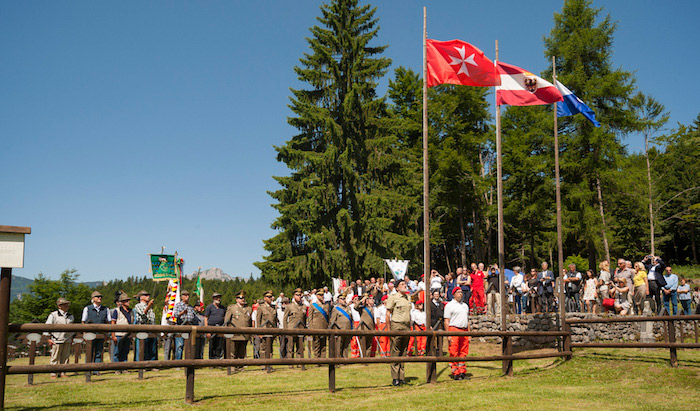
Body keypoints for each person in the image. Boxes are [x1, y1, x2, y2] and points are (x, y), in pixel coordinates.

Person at [386, 280, 411, 386]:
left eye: (405, 284)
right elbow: (388, 313)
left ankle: (402, 377)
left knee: (404, 351)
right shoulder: (393, 297)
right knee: (395, 351)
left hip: (406, 326)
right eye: (402, 284)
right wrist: (389, 330)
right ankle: (395, 378)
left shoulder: (408, 297)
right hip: (396, 324)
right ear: (396, 288)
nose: (405, 286)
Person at [82, 290, 112, 372]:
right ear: (93, 299)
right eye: (97, 297)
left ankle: (96, 370)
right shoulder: (87, 308)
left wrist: (107, 334)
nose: (100, 298)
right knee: (89, 352)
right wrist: (84, 333)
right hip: (90, 334)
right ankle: (88, 369)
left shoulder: (106, 309)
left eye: (100, 297)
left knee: (99, 352)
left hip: (101, 334)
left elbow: (108, 322)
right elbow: (83, 322)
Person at [444, 287, 470, 380]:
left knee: (463, 350)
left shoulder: (465, 305)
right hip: (454, 328)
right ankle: (455, 371)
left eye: (461, 292)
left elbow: (468, 320)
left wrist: (469, 333)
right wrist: (448, 334)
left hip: (464, 330)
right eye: (458, 292)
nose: (460, 294)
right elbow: (446, 321)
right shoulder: (449, 305)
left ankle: (462, 371)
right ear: (454, 294)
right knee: (454, 351)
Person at [45, 297, 74, 378]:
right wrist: (48, 338)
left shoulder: (70, 316)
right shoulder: (53, 315)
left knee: (65, 357)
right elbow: (47, 327)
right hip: (56, 339)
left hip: (67, 339)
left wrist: (71, 337)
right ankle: (53, 373)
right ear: (59, 306)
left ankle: (63, 372)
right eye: (64, 304)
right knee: (55, 357)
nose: (66, 306)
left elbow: (72, 328)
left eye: (67, 304)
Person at [224, 290, 252, 370]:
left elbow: (249, 321)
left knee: (242, 351)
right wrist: (226, 331)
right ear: (236, 299)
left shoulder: (248, 309)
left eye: (243, 298)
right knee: (232, 351)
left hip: (245, 334)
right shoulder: (232, 308)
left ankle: (240, 365)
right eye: (240, 298)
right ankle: (232, 365)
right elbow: (226, 320)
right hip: (234, 334)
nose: (242, 299)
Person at [132, 290, 157, 361]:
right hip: (143, 328)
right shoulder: (138, 306)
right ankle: (142, 364)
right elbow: (143, 314)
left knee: (152, 348)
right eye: (146, 295)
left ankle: (151, 364)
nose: (148, 297)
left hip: (151, 329)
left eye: (148, 295)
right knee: (143, 348)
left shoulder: (150, 307)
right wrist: (149, 306)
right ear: (141, 297)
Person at [283, 288, 306, 362]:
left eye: (300, 295)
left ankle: (300, 362)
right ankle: (291, 362)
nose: (299, 296)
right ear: (293, 296)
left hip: (301, 329)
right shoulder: (289, 306)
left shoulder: (304, 306)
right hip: (291, 329)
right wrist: (286, 330)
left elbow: (304, 319)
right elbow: (285, 319)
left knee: (300, 347)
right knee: (290, 347)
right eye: (297, 295)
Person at [256, 290, 278, 370]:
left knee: (270, 348)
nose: (270, 298)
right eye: (268, 297)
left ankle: (270, 363)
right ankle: (263, 364)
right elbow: (258, 320)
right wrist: (259, 331)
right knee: (263, 348)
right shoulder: (260, 308)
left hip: (271, 330)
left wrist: (276, 331)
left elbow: (275, 320)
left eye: (271, 297)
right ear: (265, 298)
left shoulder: (273, 308)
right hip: (264, 331)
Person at [329, 288, 353, 357]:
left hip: (347, 329)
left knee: (346, 346)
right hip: (339, 329)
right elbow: (332, 320)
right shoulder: (336, 309)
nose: (344, 300)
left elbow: (351, 319)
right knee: (338, 346)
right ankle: (338, 359)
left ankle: (345, 359)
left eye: (344, 298)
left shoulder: (348, 308)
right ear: (338, 300)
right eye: (342, 299)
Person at [172, 290, 196, 360]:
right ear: (182, 297)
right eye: (185, 295)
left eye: (188, 295)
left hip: (189, 327)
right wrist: (182, 312)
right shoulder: (178, 305)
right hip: (181, 326)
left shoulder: (190, 307)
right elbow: (175, 315)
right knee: (179, 345)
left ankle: (188, 361)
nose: (187, 297)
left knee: (189, 346)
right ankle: (178, 362)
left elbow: (193, 317)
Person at [111, 293, 132, 368]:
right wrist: (113, 335)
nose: (128, 302)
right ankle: (117, 367)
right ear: (122, 302)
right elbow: (113, 323)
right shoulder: (117, 311)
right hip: (118, 334)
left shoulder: (130, 311)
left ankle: (124, 367)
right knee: (117, 352)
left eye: (128, 300)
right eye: (126, 301)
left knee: (125, 351)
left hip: (127, 334)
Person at [204, 292, 226, 360]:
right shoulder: (209, 307)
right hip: (211, 328)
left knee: (219, 345)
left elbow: (225, 318)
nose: (218, 299)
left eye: (219, 297)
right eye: (216, 297)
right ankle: (211, 360)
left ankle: (218, 359)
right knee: (212, 345)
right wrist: (207, 330)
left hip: (220, 328)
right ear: (213, 298)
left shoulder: (222, 308)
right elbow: (206, 318)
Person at [307, 289, 329, 359]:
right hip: (316, 327)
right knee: (316, 344)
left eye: (323, 295)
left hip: (324, 327)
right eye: (320, 295)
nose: (322, 296)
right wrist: (311, 328)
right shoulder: (313, 305)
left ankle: (323, 359)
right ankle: (316, 359)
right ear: (317, 296)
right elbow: (310, 318)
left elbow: (328, 317)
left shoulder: (326, 305)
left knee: (323, 345)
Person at [354, 293, 377, 357]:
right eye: (367, 299)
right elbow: (355, 307)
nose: (367, 300)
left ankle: (368, 357)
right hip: (363, 328)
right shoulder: (361, 308)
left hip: (370, 328)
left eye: (368, 299)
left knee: (369, 344)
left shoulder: (372, 308)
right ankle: (363, 358)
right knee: (363, 344)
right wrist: (362, 301)